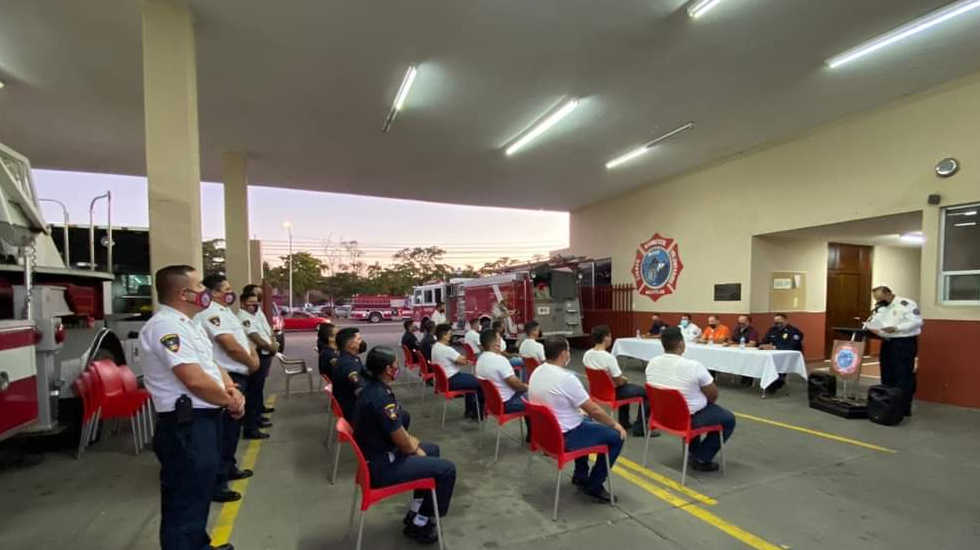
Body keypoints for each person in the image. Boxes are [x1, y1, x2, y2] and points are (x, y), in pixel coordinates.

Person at [140, 265, 241, 550]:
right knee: (184, 500)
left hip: (204, 419)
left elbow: (211, 366)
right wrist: (230, 400)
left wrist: (231, 389)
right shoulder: (166, 326)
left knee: (198, 494)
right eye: (199, 287)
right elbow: (194, 380)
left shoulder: (189, 323)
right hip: (186, 424)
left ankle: (198, 544)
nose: (205, 293)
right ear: (183, 293)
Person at [352, 346, 456, 545]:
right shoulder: (381, 398)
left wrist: (413, 444)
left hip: (379, 455)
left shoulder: (372, 387)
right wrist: (415, 447)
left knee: (433, 449)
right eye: (396, 364)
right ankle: (422, 524)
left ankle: (416, 511)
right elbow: (406, 444)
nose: (398, 367)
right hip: (382, 468)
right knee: (446, 470)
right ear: (388, 369)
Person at [528, 336, 626, 503]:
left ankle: (580, 475)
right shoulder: (566, 378)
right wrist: (615, 424)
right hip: (565, 437)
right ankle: (594, 485)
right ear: (564, 354)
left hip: (547, 435)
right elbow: (594, 409)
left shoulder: (537, 371)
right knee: (616, 437)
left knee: (584, 419)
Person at [196, 274, 260, 501]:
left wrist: (252, 355)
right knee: (224, 433)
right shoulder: (211, 313)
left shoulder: (225, 312)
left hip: (237, 374)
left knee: (232, 431)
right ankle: (218, 483)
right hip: (229, 376)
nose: (231, 292)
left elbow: (243, 339)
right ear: (213, 293)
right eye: (226, 289)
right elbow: (230, 346)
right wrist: (251, 362)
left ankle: (229, 468)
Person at [646, 327, 735, 472]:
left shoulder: (652, 363)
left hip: (661, 417)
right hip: (686, 420)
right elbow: (713, 395)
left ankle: (694, 452)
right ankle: (701, 457)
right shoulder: (693, 366)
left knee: (696, 409)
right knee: (728, 419)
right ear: (681, 344)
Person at [582, 325, 654, 437]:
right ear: (605, 338)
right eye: (610, 336)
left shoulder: (587, 354)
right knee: (645, 392)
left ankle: (624, 422)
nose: (611, 338)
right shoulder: (608, 357)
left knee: (627, 389)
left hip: (597, 391)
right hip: (612, 393)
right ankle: (640, 428)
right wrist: (624, 379)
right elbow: (619, 381)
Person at [866, 285, 922, 417]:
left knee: (903, 375)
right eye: (876, 298)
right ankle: (888, 404)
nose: (879, 301)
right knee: (886, 373)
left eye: (880, 298)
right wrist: (871, 327)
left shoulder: (906, 304)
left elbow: (917, 322)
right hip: (887, 343)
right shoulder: (881, 307)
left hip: (903, 343)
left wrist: (897, 328)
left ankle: (903, 407)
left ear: (888, 293)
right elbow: (876, 322)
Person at [475, 328, 530, 439]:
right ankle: (538, 439)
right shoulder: (500, 360)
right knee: (538, 400)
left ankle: (533, 435)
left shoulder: (480, 360)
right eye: (500, 338)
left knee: (529, 395)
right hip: (507, 403)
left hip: (492, 404)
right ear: (496, 343)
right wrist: (529, 387)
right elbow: (516, 385)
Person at [238, 286, 278, 437]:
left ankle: (256, 419)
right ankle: (251, 427)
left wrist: (272, 342)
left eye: (256, 302)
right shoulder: (244, 317)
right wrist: (270, 347)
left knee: (257, 390)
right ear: (242, 303)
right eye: (251, 302)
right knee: (252, 393)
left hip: (265, 353)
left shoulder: (254, 314)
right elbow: (255, 336)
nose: (255, 305)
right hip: (258, 354)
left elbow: (266, 331)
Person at [431, 323, 483, 420]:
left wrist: (460, 360)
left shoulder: (435, 347)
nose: (451, 336)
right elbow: (463, 361)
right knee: (480, 382)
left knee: (471, 381)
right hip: (452, 380)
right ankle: (477, 413)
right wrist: (464, 360)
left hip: (443, 381)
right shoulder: (447, 349)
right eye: (450, 334)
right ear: (444, 335)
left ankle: (470, 411)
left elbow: (452, 361)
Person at [759, 313, 804, 392]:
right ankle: (768, 380)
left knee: (776, 363)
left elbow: (791, 346)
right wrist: (763, 345)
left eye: (780, 322)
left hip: (789, 356)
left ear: (786, 320)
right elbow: (764, 341)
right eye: (776, 323)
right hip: (774, 354)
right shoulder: (772, 329)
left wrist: (774, 347)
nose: (778, 325)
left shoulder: (794, 332)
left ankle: (777, 381)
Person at [333, 327, 367, 420]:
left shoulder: (351, 358)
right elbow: (360, 389)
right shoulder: (348, 364)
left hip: (350, 402)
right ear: (350, 344)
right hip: (354, 410)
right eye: (359, 339)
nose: (362, 341)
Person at [730, 315, 761, 386]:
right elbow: (732, 340)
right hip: (738, 351)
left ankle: (748, 378)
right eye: (739, 323)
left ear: (748, 322)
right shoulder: (737, 329)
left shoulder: (753, 331)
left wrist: (736, 345)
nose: (740, 324)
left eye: (742, 323)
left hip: (750, 353)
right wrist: (728, 343)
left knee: (747, 361)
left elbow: (752, 344)